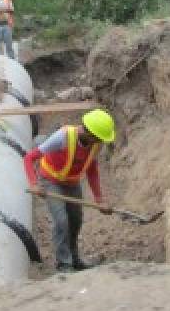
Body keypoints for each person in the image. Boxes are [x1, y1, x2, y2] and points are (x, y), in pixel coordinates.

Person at [24, 109, 116, 272]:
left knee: (75, 221)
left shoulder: (95, 143)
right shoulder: (63, 137)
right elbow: (29, 158)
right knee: (61, 221)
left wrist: (99, 199)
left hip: (71, 182)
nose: (100, 141)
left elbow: (92, 170)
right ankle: (64, 264)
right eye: (99, 138)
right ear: (89, 133)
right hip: (51, 181)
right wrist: (34, 184)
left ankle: (74, 259)